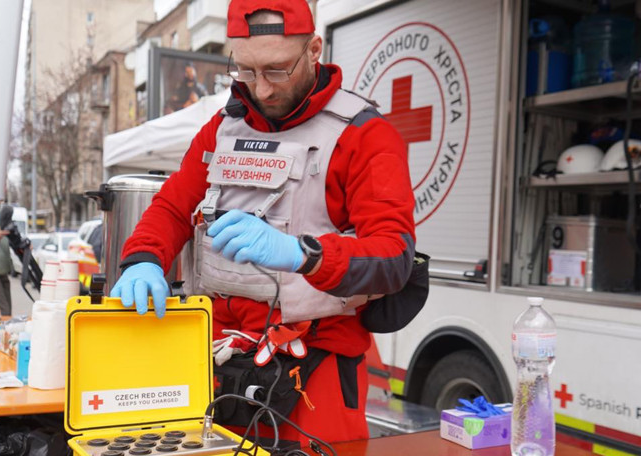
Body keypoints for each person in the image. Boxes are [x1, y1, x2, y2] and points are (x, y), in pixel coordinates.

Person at [111, 0, 415, 445]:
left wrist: (304, 255)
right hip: (216, 361)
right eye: (246, 71)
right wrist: (142, 259)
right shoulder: (222, 129)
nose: (262, 90)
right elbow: (173, 206)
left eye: (277, 70)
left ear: (314, 49)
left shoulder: (364, 135)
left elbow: (393, 256)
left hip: (315, 370)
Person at [0, 206, 14, 316]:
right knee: (3, 310)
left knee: (7, 310)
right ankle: (0, 332)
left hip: (3, 270)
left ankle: (4, 332)